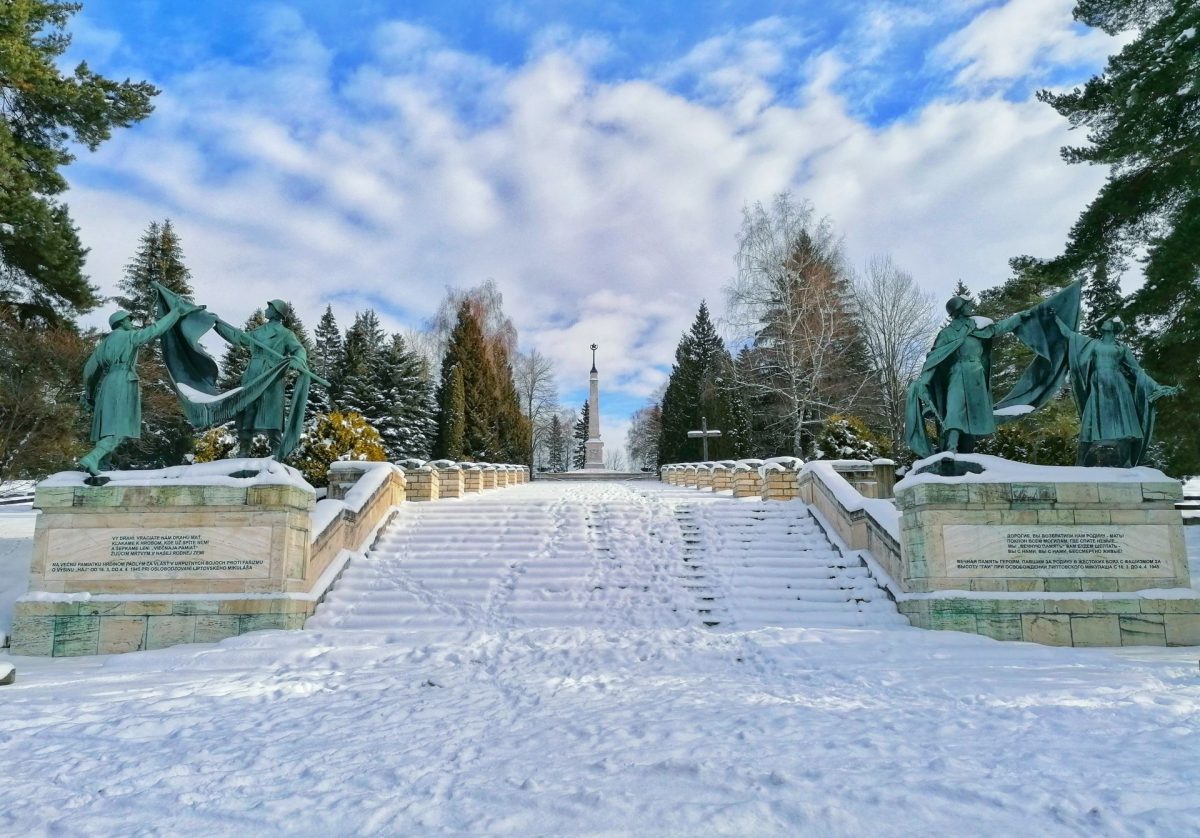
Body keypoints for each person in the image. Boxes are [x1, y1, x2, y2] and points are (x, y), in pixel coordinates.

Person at [907, 296, 1033, 456]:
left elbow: (1000, 327)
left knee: (975, 413)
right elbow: (934, 358)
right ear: (960, 309)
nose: (970, 306)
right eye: (967, 304)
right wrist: (924, 382)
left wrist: (1019, 317)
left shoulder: (977, 326)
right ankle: (951, 448)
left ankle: (967, 452)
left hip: (976, 375)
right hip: (957, 373)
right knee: (954, 409)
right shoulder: (947, 333)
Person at [79, 304, 193, 475]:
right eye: (128, 320)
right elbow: (155, 330)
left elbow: (89, 371)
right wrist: (175, 312)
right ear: (121, 322)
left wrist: (89, 395)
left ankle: (103, 466)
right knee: (118, 428)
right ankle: (93, 458)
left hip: (107, 384)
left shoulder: (103, 345)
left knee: (108, 427)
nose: (131, 322)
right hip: (123, 382)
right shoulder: (130, 336)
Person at [1055, 316, 1179, 467]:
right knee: (1090, 419)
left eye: (1110, 322)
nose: (1105, 323)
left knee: (1123, 422)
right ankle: (1081, 461)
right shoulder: (1093, 344)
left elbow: (1137, 370)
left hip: (1117, 385)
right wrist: (1055, 318)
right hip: (1098, 384)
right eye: (1104, 323)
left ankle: (1125, 460)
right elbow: (1070, 335)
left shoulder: (1121, 348)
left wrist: (1156, 386)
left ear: (1114, 328)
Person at [213, 299, 309, 458]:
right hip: (252, 374)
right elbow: (238, 337)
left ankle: (276, 449)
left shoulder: (285, 334)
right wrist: (217, 324)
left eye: (269, 307)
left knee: (272, 411)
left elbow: (299, 350)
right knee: (247, 410)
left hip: (271, 376)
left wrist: (297, 360)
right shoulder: (259, 331)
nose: (266, 309)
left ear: (276, 312)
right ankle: (244, 448)